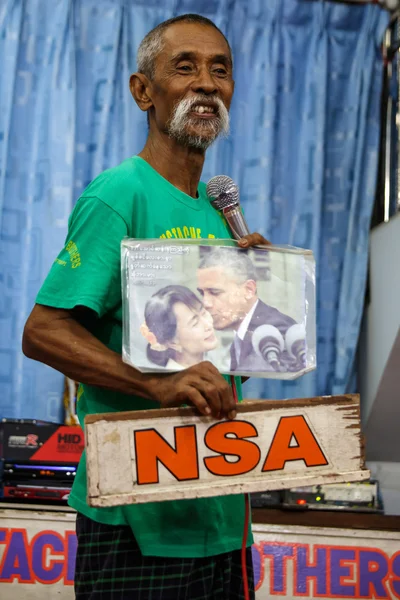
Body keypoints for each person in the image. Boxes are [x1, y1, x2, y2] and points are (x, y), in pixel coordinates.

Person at [22, 13, 270, 600]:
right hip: (136, 516)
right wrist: (156, 384)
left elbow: (221, 364)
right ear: (143, 92)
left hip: (224, 515)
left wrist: (260, 301)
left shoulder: (220, 213)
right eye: (185, 67)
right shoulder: (120, 194)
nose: (207, 83)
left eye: (221, 70)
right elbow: (43, 331)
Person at [197, 247, 296, 372]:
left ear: (249, 290)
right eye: (202, 293)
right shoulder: (242, 336)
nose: (205, 303)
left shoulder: (275, 331)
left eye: (215, 292)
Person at [140, 285, 218, 369]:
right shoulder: (176, 380)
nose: (208, 325)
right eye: (195, 323)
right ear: (172, 343)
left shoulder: (213, 363)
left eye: (203, 313)